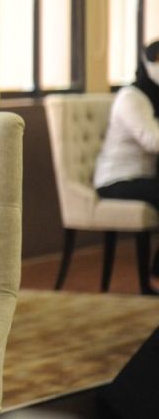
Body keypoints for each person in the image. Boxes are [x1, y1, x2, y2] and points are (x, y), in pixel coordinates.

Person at [94, 39, 159, 292]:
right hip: (118, 180)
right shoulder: (131, 97)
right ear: (148, 63)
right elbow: (151, 140)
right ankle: (156, 273)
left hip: (145, 178)